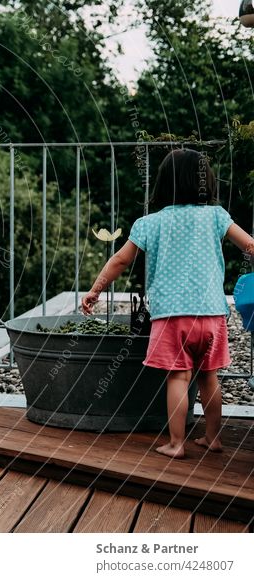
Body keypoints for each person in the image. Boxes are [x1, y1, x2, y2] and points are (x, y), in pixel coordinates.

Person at [81, 149, 254, 459]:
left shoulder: (150, 223)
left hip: (173, 317)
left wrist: (96, 290)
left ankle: (176, 444)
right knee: (209, 375)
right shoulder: (216, 216)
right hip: (212, 314)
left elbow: (120, 260)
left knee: (179, 377)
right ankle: (213, 438)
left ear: (163, 184)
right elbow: (250, 245)